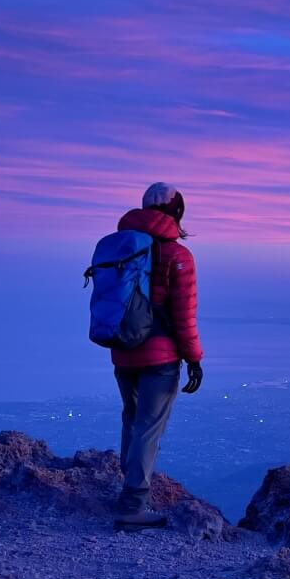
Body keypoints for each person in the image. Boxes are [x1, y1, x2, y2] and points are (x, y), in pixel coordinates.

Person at [110, 182, 204, 528]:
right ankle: (133, 504)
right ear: (177, 211)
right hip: (159, 357)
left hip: (122, 349)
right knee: (149, 426)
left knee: (132, 419)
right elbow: (183, 315)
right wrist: (194, 359)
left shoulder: (121, 248)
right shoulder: (177, 256)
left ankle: (129, 490)